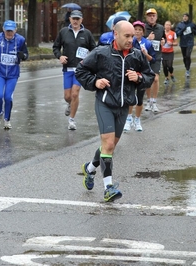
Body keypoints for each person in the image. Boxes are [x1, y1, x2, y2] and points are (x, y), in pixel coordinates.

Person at [75, 21, 155, 202]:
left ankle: (90, 169)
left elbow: (150, 76)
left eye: (132, 36)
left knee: (109, 147)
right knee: (108, 144)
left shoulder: (136, 55)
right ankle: (108, 188)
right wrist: (95, 82)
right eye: (127, 36)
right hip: (105, 104)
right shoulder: (101, 53)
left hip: (124, 107)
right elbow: (81, 70)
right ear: (115, 34)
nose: (130, 40)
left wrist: (139, 77)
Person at [52, 10, 96, 130]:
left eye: (78, 19)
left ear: (81, 20)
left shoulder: (86, 33)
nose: (75, 21)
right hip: (68, 68)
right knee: (67, 96)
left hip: (81, 70)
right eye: (73, 19)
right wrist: (60, 56)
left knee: (75, 93)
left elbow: (94, 49)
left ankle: (72, 120)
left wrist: (88, 59)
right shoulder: (64, 32)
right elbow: (56, 47)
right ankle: (70, 104)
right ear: (70, 19)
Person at [0, 20, 28, 129]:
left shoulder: (20, 40)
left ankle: (7, 119)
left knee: (8, 97)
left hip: (13, 73)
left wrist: (23, 56)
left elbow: (26, 54)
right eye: (7, 31)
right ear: (3, 29)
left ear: (15, 30)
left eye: (11, 31)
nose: (9, 34)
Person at [123, 20, 156, 132]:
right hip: (131, 72)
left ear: (143, 32)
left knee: (140, 99)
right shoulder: (129, 42)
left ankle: (137, 120)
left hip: (142, 74)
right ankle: (128, 119)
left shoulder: (147, 43)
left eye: (139, 30)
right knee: (130, 97)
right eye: (135, 29)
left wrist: (145, 54)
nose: (137, 32)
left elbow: (153, 59)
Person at [144, 8, 166, 113]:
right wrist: (148, 39)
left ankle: (154, 101)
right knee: (148, 79)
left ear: (156, 17)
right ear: (146, 17)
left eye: (153, 15)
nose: (151, 17)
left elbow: (163, 39)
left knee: (156, 79)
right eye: (149, 15)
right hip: (146, 56)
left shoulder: (161, 28)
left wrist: (163, 42)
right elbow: (138, 41)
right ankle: (148, 101)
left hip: (157, 56)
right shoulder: (143, 28)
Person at [175, 13, 196, 77]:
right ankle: (187, 67)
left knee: (188, 55)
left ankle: (188, 69)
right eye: (184, 16)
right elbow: (177, 34)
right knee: (185, 57)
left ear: (188, 17)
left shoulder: (192, 24)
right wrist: (183, 30)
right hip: (183, 43)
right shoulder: (180, 25)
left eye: (186, 16)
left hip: (190, 42)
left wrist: (193, 30)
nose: (185, 18)